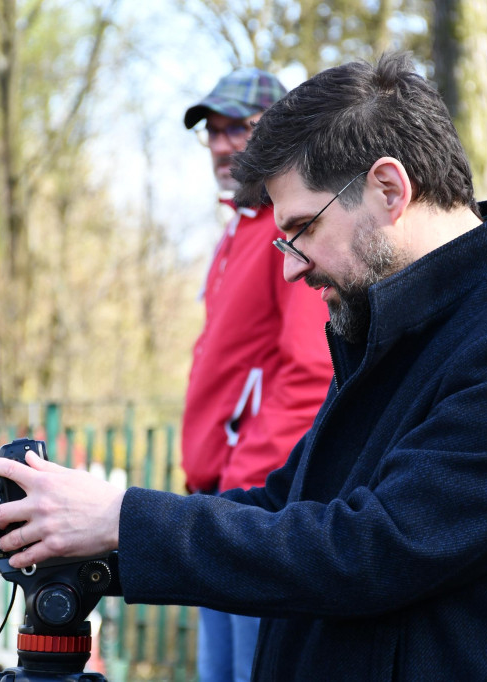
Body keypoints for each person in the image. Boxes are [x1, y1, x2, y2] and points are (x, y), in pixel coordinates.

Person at [0, 52, 487, 680]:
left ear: (388, 188)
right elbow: (286, 506)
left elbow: (369, 550)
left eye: (303, 228)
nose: (290, 267)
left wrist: (124, 518)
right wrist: (82, 532)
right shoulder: (408, 325)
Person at [179, 67, 333, 682]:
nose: (222, 145)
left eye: (238, 128)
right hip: (214, 503)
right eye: (213, 132)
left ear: (276, 131)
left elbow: (309, 369)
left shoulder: (284, 229)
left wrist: (247, 483)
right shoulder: (237, 232)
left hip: (250, 509)